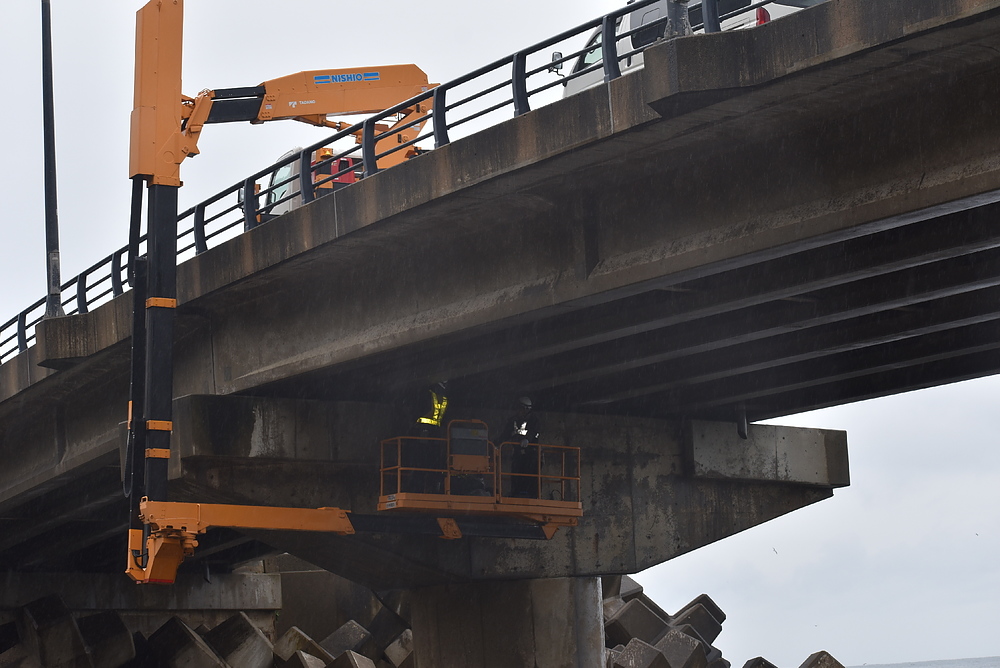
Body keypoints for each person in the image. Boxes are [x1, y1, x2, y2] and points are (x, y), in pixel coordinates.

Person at [404, 381, 449, 493]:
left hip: (423, 432)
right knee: (432, 465)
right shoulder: (443, 397)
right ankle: (434, 489)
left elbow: (415, 411)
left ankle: (416, 489)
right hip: (435, 434)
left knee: (419, 464)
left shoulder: (427, 394)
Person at [496, 397, 541, 498]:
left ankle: (531, 495)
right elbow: (506, 434)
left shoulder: (533, 420)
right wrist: (496, 443)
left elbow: (534, 431)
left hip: (531, 454)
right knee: (517, 474)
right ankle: (516, 494)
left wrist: (527, 440)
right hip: (518, 454)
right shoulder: (513, 421)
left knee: (529, 476)